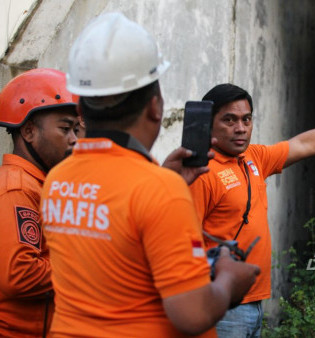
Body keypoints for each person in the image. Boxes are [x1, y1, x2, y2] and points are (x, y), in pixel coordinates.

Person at [40, 12, 259, 337]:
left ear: (82, 110)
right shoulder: (159, 189)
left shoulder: (57, 179)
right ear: (156, 107)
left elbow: (115, 247)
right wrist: (230, 280)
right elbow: (192, 313)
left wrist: (159, 177)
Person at [189, 83, 315, 337]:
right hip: (221, 306)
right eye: (228, 120)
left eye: (246, 119)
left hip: (253, 301)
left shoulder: (253, 158)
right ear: (207, 123)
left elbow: (304, 145)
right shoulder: (202, 173)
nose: (240, 128)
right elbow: (185, 243)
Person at [0, 68, 81, 337]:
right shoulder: (18, 188)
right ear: (29, 131)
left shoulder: (38, 183)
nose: (74, 139)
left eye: (76, 129)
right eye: (65, 128)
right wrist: (84, 265)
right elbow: (19, 274)